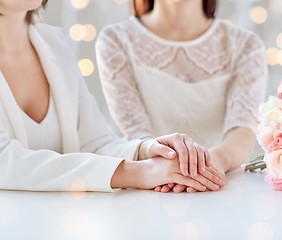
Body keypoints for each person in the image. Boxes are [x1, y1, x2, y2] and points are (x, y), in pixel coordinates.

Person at [0, 0, 224, 192]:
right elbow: (4, 160)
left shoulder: (55, 43)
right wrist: (138, 173)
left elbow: (94, 142)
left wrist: (146, 151)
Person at [96, 0, 267, 193]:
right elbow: (137, 133)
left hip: (222, 188)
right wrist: (164, 166)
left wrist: (210, 164)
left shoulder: (245, 45)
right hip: (151, 190)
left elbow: (243, 131)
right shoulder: (116, 39)